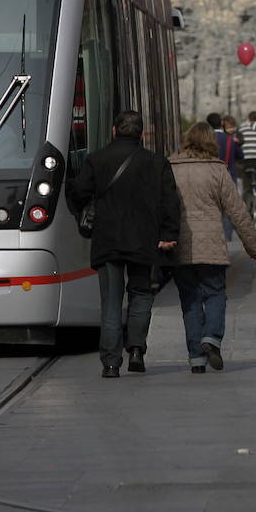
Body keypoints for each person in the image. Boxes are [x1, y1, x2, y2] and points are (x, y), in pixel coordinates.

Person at [68, 110, 181, 378]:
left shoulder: (97, 159)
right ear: (141, 133)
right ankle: (137, 350)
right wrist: (168, 233)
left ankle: (110, 363)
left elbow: (78, 193)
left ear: (114, 131)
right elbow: (170, 201)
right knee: (141, 295)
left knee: (111, 301)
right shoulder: (156, 162)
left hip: (108, 241)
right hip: (144, 241)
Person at [168, 122, 256, 374]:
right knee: (215, 293)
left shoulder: (170, 168)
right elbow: (237, 211)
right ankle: (211, 337)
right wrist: (254, 247)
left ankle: (196, 359)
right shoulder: (217, 170)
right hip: (211, 244)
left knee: (189, 299)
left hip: (181, 244)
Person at [208, 112, 242, 239]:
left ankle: (215, 238)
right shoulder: (230, 139)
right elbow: (241, 155)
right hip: (229, 177)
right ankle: (228, 239)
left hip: (210, 179)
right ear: (221, 123)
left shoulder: (207, 139)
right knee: (229, 211)